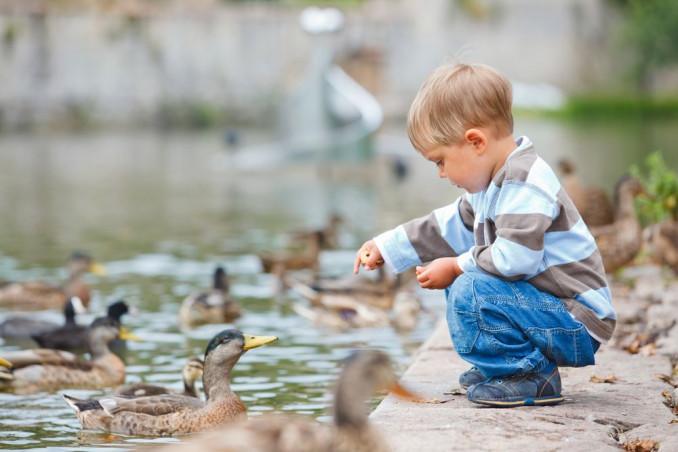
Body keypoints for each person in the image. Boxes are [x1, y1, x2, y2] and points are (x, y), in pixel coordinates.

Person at [354, 63, 614, 407]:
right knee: (462, 279)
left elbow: (516, 259)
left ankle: (528, 374)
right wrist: (389, 245)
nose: (441, 174)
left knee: (469, 284)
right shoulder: (490, 187)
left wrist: (457, 266)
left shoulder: (525, 182)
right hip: (550, 312)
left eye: (440, 161)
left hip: (576, 320)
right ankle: (506, 365)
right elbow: (445, 227)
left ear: (475, 141)